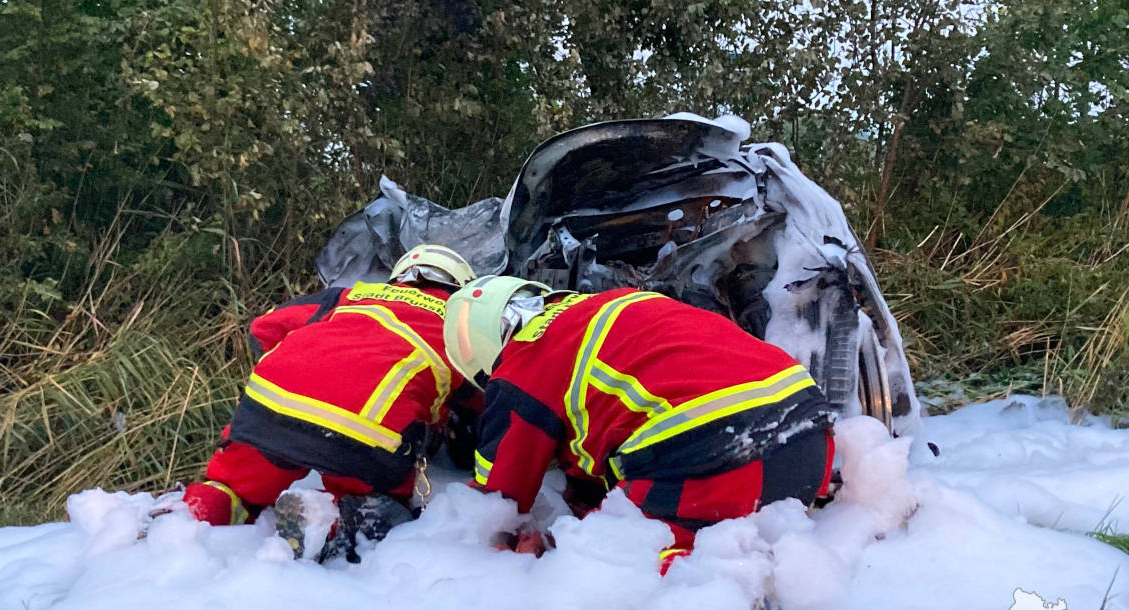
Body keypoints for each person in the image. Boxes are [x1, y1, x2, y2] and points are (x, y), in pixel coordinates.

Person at [443, 276, 836, 572]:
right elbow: (624, 410)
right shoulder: (622, 305)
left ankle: (740, 592)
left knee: (607, 564)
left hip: (718, 456)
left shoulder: (526, 355)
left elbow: (498, 502)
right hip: (809, 440)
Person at [175, 245, 481, 561]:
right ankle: (324, 518)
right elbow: (482, 396)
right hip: (365, 436)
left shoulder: (348, 296)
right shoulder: (459, 323)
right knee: (378, 505)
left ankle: (183, 520)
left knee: (233, 488)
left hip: (266, 411)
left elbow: (261, 328)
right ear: (461, 288)